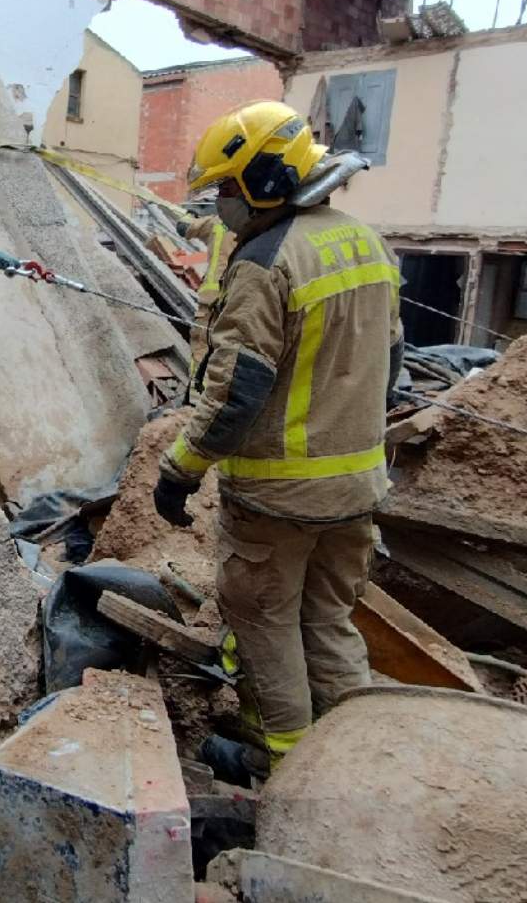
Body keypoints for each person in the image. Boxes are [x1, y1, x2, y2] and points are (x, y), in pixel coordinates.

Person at [151, 101, 402, 777]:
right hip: (357, 488)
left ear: (264, 179)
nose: (222, 205)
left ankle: (282, 773)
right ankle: (354, 764)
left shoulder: (267, 260)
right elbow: (392, 365)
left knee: (265, 629)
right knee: (328, 622)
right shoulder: (366, 241)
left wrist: (179, 470)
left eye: (228, 189)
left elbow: (236, 394)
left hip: (279, 497)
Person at [177, 209, 235, 378]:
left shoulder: (215, 222)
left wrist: (191, 214)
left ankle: (197, 395)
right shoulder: (257, 225)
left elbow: (183, 227)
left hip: (211, 299)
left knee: (202, 346)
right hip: (238, 296)